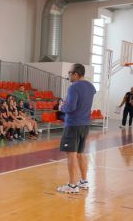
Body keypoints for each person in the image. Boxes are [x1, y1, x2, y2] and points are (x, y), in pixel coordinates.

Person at [56, 63, 96, 194]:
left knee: (71, 155)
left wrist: (61, 107)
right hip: (85, 124)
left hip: (73, 125)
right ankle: (84, 181)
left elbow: (71, 107)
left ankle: (72, 185)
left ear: (76, 74)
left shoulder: (74, 87)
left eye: (69, 73)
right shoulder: (91, 87)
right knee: (80, 154)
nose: (68, 75)